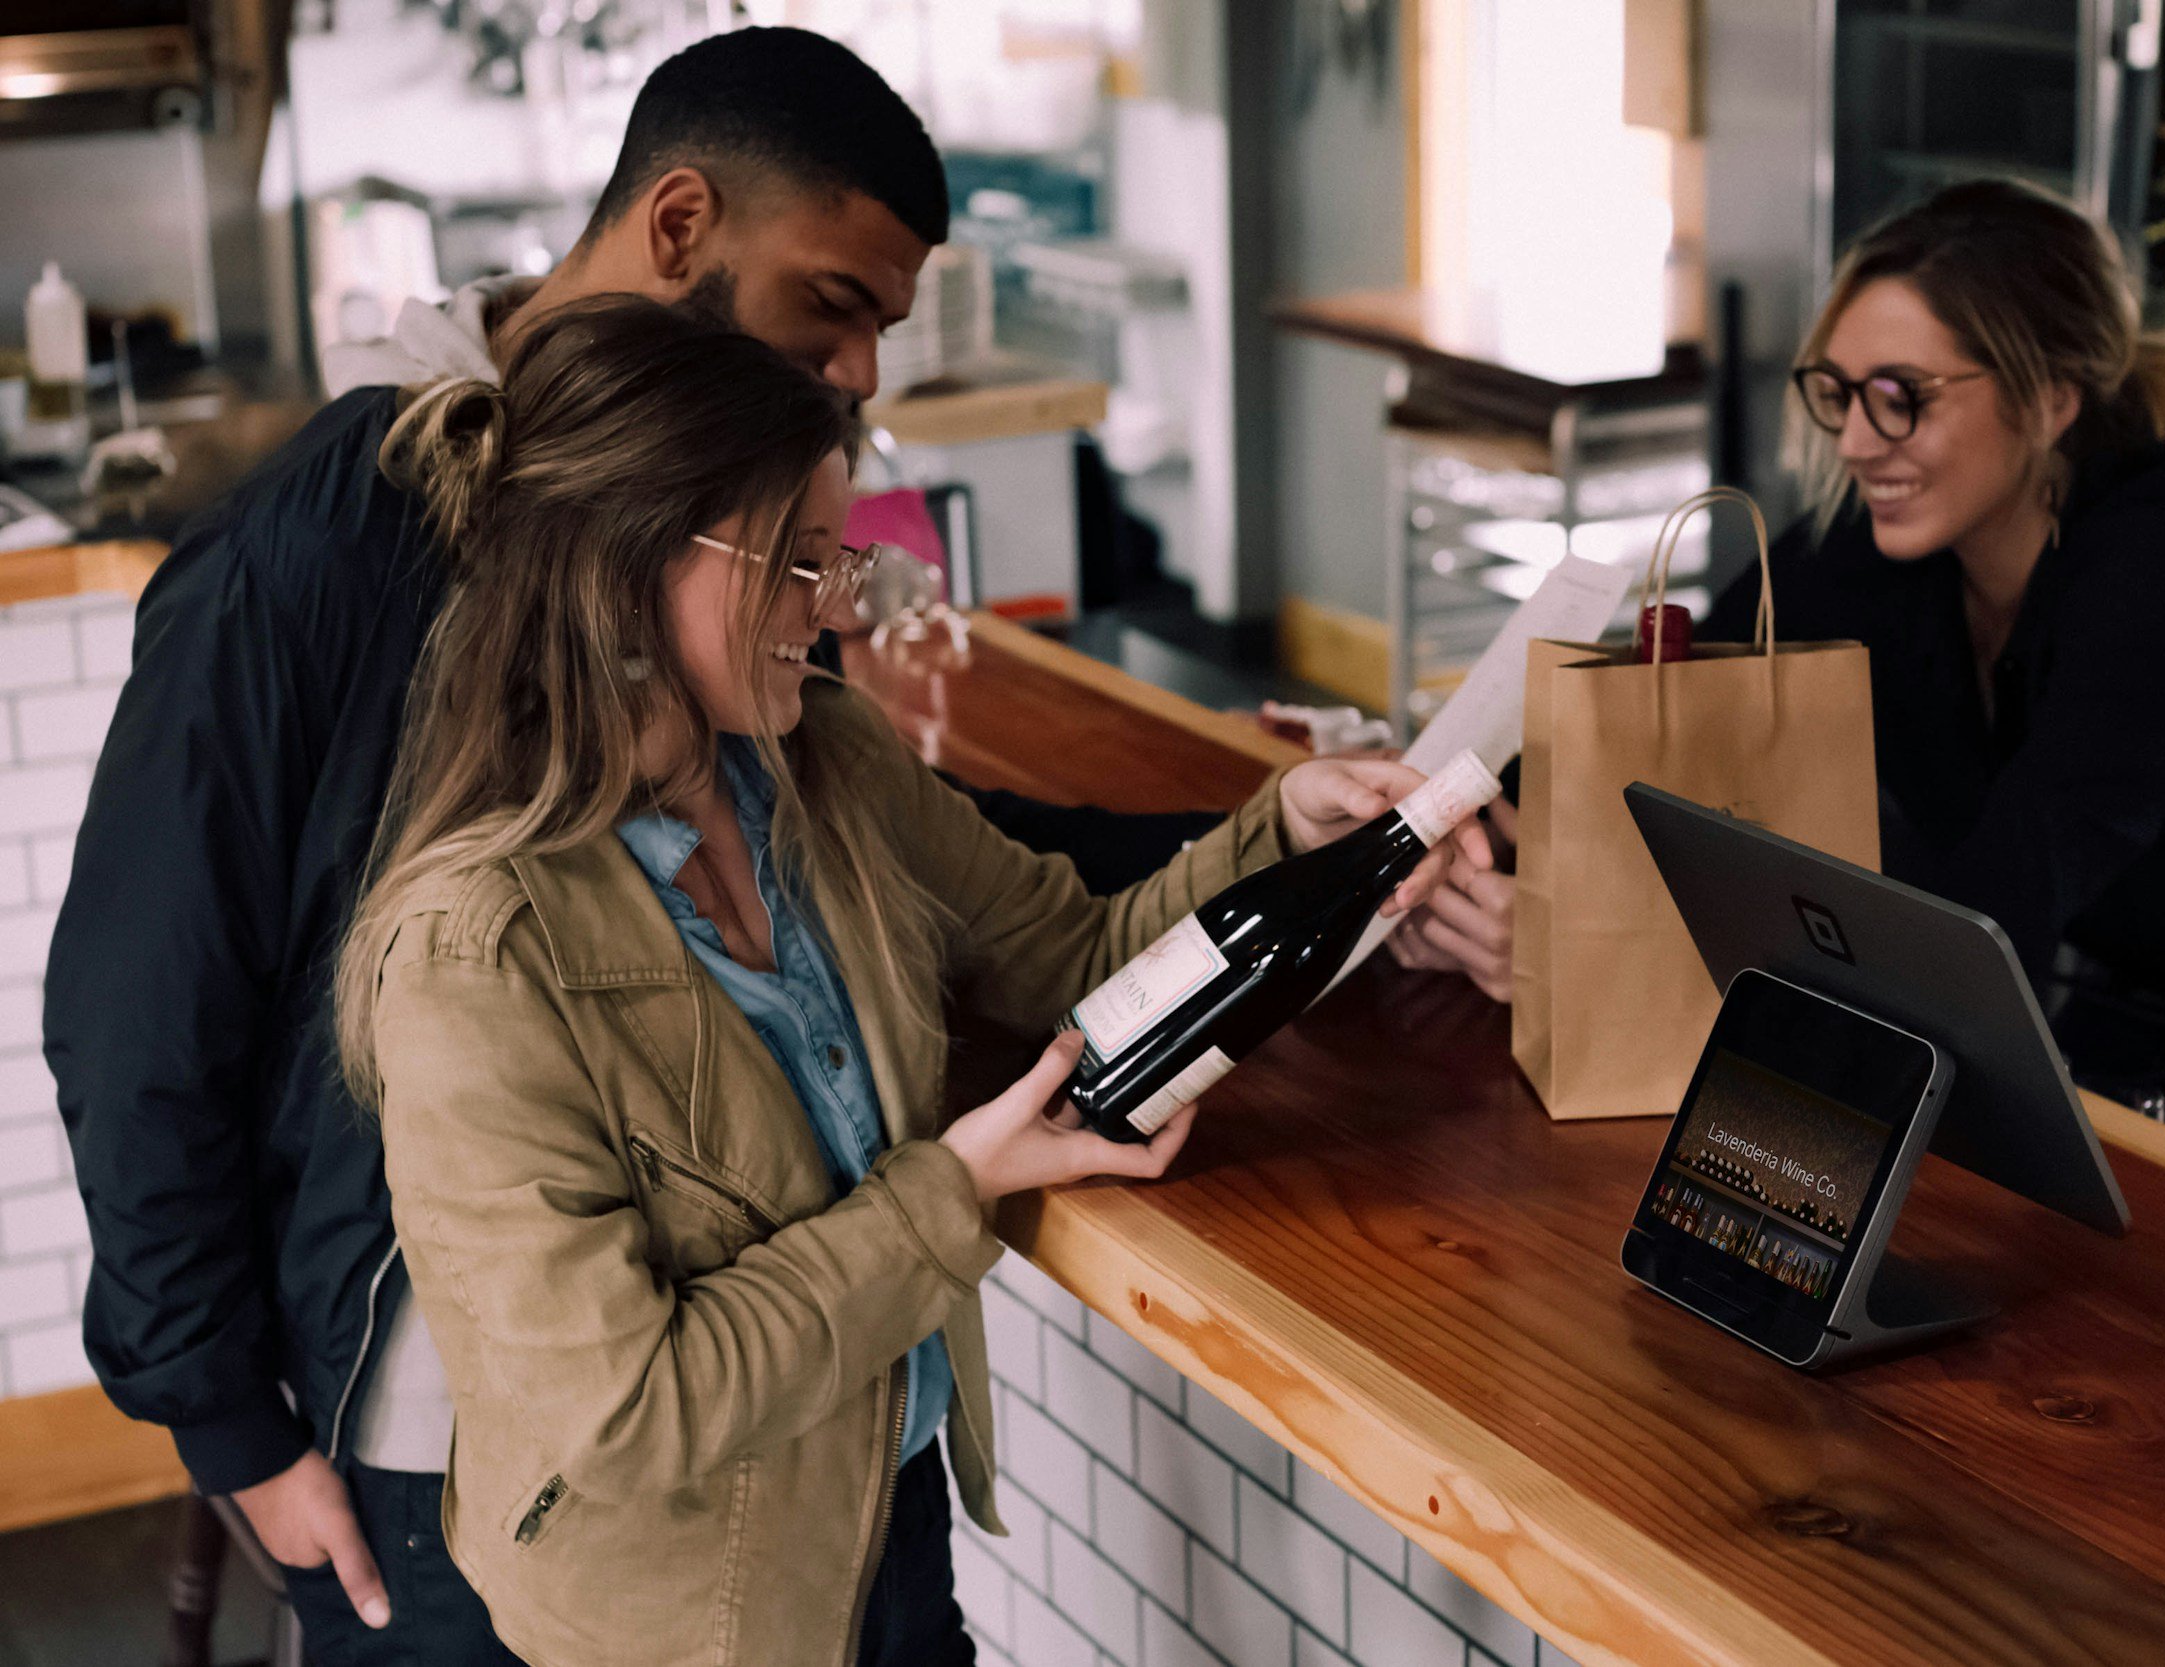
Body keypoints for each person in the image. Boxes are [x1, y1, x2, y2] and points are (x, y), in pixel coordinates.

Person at [41, 27, 1506, 1664]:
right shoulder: (333, 566)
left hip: (831, 1444)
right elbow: (139, 1005)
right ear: (679, 231)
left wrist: (1288, 848)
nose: (866, 372)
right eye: (838, 306)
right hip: (475, 1460)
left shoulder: (776, 734)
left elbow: (985, 887)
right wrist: (228, 1421)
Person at [336, 294, 1482, 1664]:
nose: (832, 607)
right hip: (686, 1621)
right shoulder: (475, 954)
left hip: (885, 1516)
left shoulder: (823, 761)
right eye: (794, 560)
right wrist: (953, 1191)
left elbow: (1070, 952)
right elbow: (628, 1408)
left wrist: (1280, 835)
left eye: (839, 556)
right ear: (627, 563)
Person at [1702, 179, 2165, 1083]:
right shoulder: (1889, 540)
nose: (1857, 441)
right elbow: (1669, 678)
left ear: (2051, 400)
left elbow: (1996, 910)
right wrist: (1477, 828)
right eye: (1840, 392)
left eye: (1904, 395)